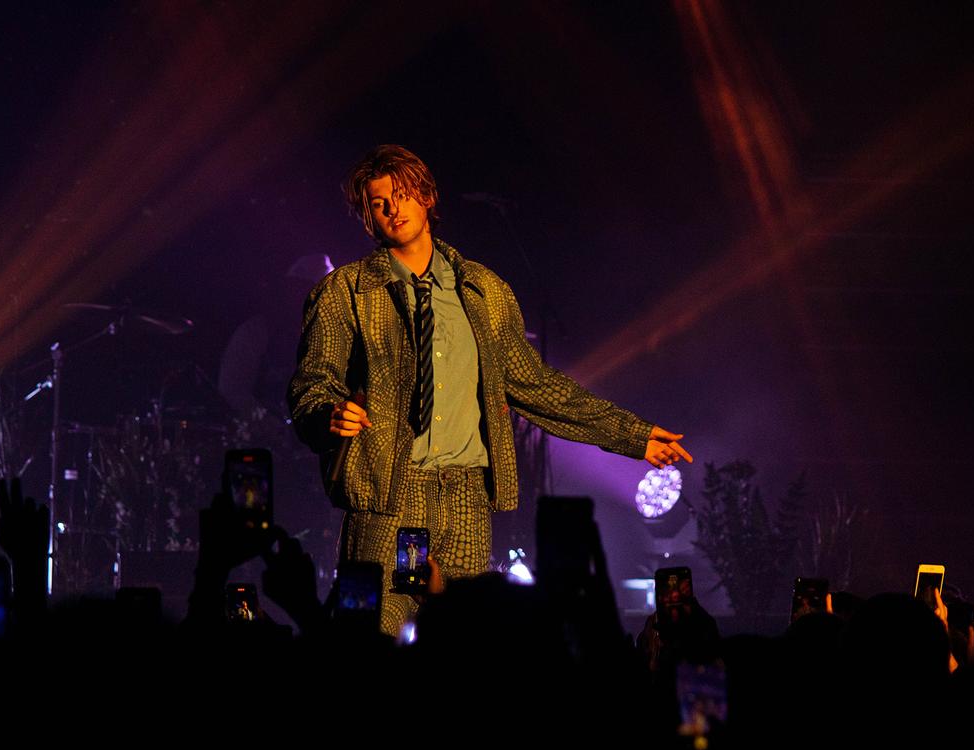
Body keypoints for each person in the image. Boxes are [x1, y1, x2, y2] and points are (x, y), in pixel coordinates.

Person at [288, 144, 692, 635]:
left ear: (426, 197)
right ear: (367, 219)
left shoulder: (483, 290)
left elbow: (536, 386)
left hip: (466, 499)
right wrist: (326, 412)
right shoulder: (345, 292)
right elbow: (312, 382)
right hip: (387, 495)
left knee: (466, 647)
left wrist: (633, 435)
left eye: (402, 194)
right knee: (369, 639)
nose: (393, 208)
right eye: (378, 202)